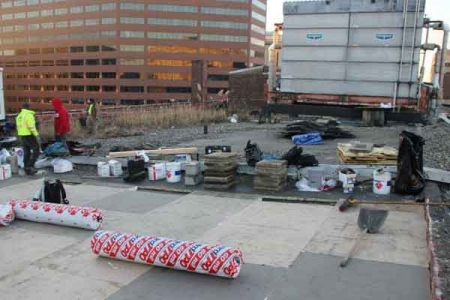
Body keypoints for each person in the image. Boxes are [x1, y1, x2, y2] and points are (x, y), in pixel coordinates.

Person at [16, 103, 40, 175]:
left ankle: (26, 167)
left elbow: (18, 126)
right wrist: (37, 135)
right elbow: (31, 126)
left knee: (27, 152)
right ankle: (30, 166)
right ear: (29, 107)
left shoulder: (19, 115)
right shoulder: (29, 115)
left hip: (22, 135)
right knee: (36, 149)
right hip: (29, 135)